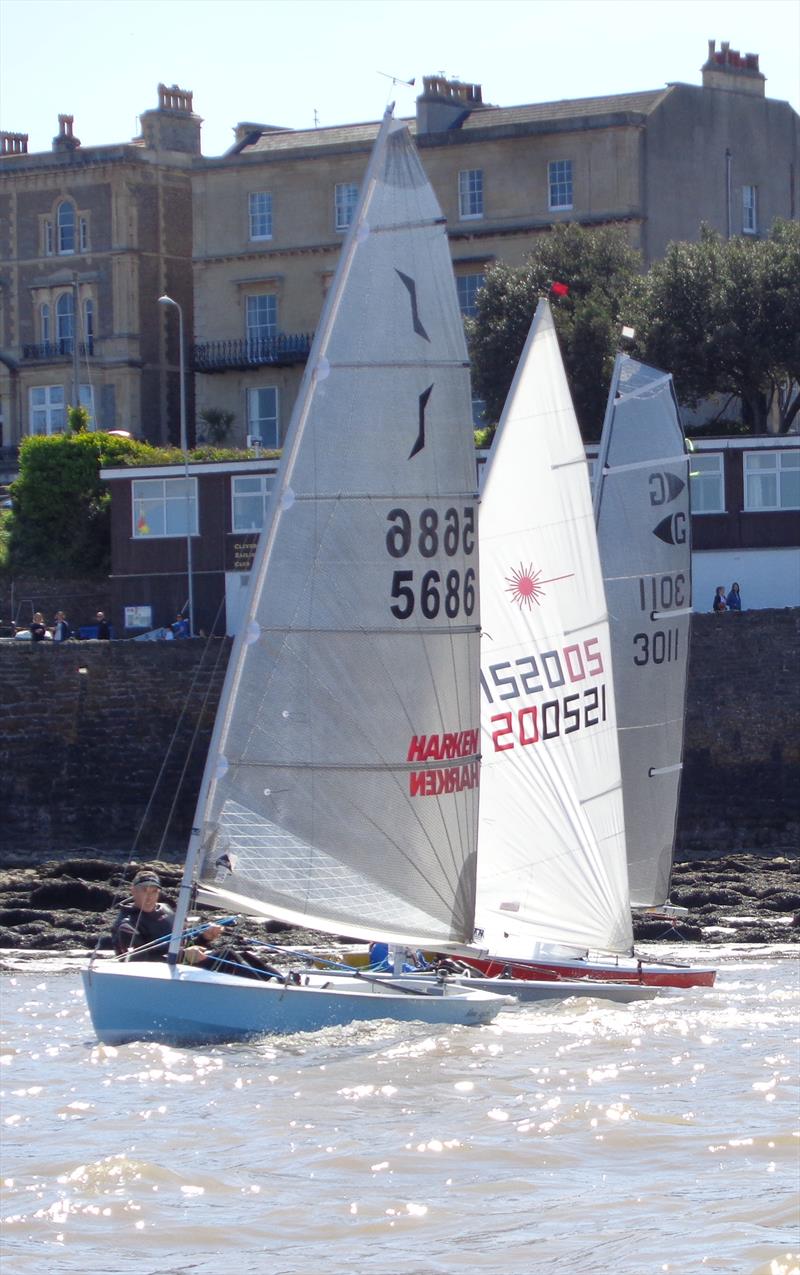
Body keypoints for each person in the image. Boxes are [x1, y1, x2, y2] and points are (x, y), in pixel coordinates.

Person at [112, 870, 221, 964]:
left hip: (182, 968)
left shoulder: (167, 909)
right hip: (157, 979)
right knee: (225, 956)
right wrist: (183, 956)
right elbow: (137, 962)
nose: (149, 897)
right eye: (145, 891)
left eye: (154, 891)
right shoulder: (127, 925)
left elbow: (186, 944)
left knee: (226, 954)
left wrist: (204, 938)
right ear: (133, 891)